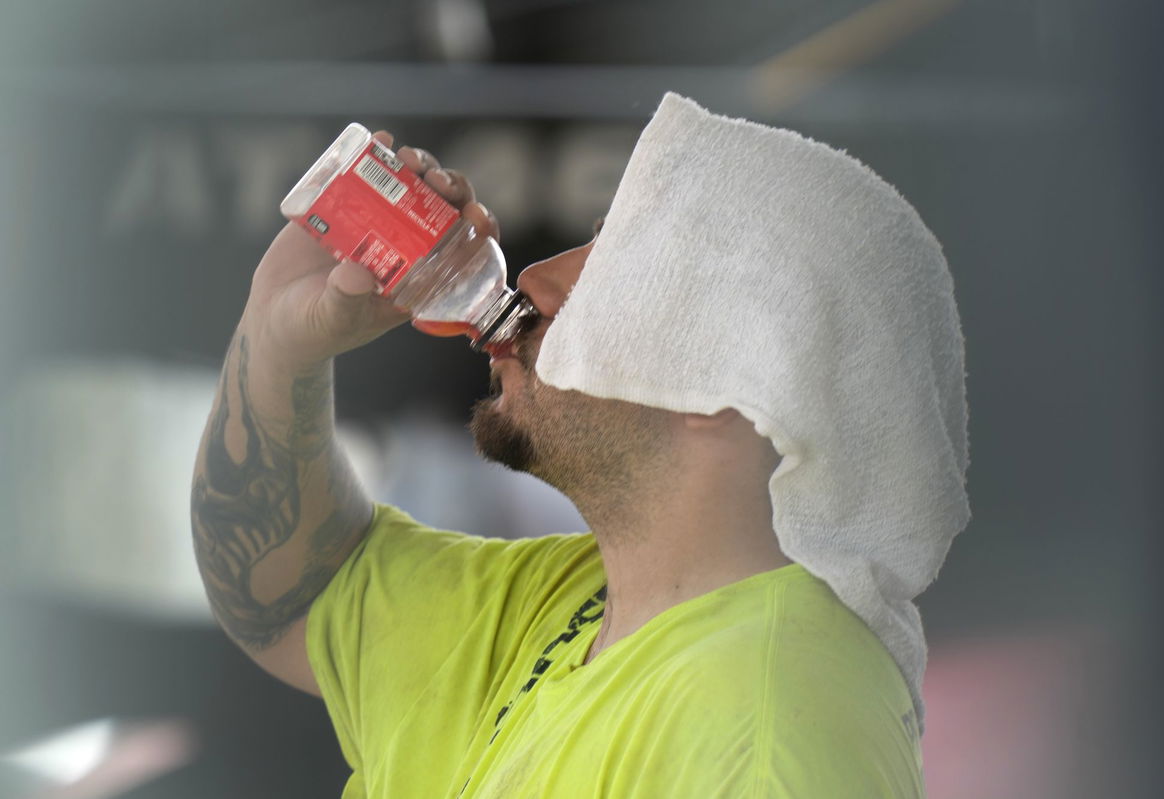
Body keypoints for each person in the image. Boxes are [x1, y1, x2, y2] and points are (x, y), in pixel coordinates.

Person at [191, 92, 968, 798]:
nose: (533, 279)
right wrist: (280, 334)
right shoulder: (576, 600)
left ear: (725, 385)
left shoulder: (770, 732)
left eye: (616, 269)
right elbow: (290, 595)